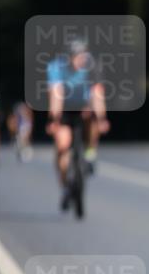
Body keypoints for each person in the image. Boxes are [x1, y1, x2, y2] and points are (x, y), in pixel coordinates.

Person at [46, 39, 109, 209]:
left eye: (82, 57)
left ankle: (90, 152)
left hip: (84, 107)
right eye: (76, 57)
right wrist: (54, 120)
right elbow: (56, 94)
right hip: (65, 110)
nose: (79, 61)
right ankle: (66, 186)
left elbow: (97, 93)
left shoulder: (92, 65)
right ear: (68, 57)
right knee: (62, 145)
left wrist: (101, 118)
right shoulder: (56, 67)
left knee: (93, 118)